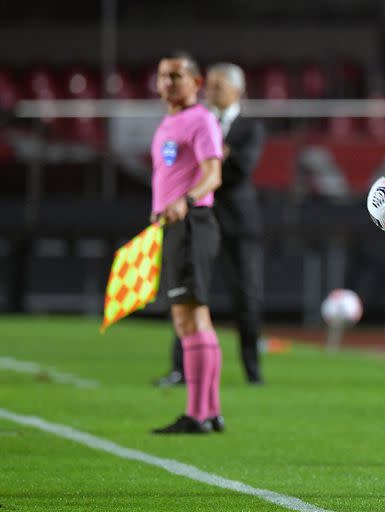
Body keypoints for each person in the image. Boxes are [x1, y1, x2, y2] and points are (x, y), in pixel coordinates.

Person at [154, 62, 266, 387]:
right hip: (201, 220)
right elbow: (180, 164)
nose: (211, 91)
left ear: (237, 89)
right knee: (190, 294)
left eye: (218, 85)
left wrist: (211, 160)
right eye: (210, 85)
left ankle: (252, 372)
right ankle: (180, 370)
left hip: (239, 224)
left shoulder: (249, 128)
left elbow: (242, 169)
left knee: (247, 298)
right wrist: (218, 156)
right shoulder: (197, 123)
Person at [149, 52, 224, 434]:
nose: (167, 83)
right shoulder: (171, 122)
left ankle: (196, 414)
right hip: (177, 225)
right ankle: (210, 411)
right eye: (163, 76)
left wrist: (185, 201)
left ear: (196, 82)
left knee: (186, 317)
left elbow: (213, 174)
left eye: (176, 76)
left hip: (192, 223)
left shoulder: (201, 119)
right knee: (197, 317)